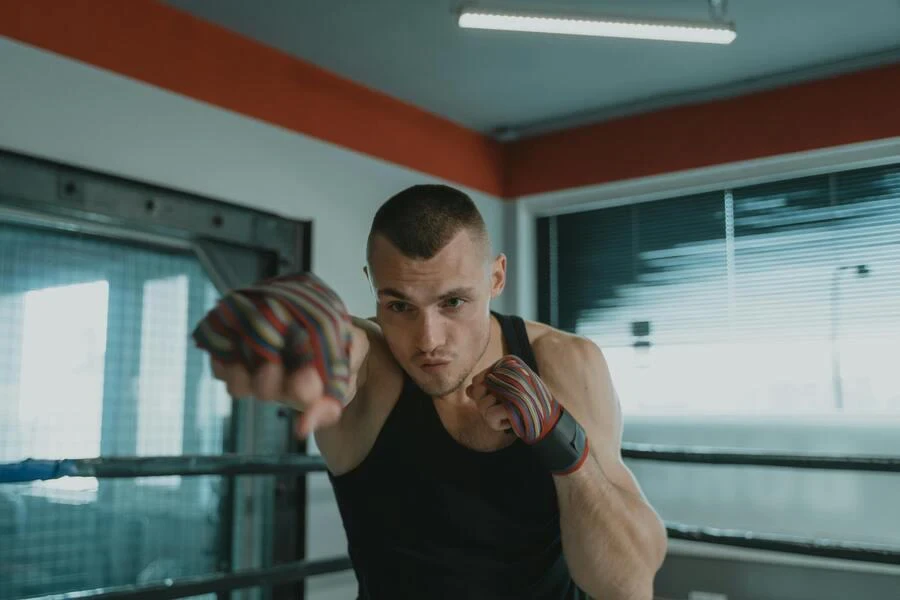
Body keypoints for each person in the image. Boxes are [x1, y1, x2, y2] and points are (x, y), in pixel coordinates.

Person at [193, 184, 667, 599]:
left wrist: (561, 442)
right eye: (399, 305)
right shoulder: (371, 367)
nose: (428, 340)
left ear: (496, 278)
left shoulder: (566, 363)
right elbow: (341, 350)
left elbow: (626, 585)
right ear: (372, 287)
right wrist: (282, 337)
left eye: (453, 302)